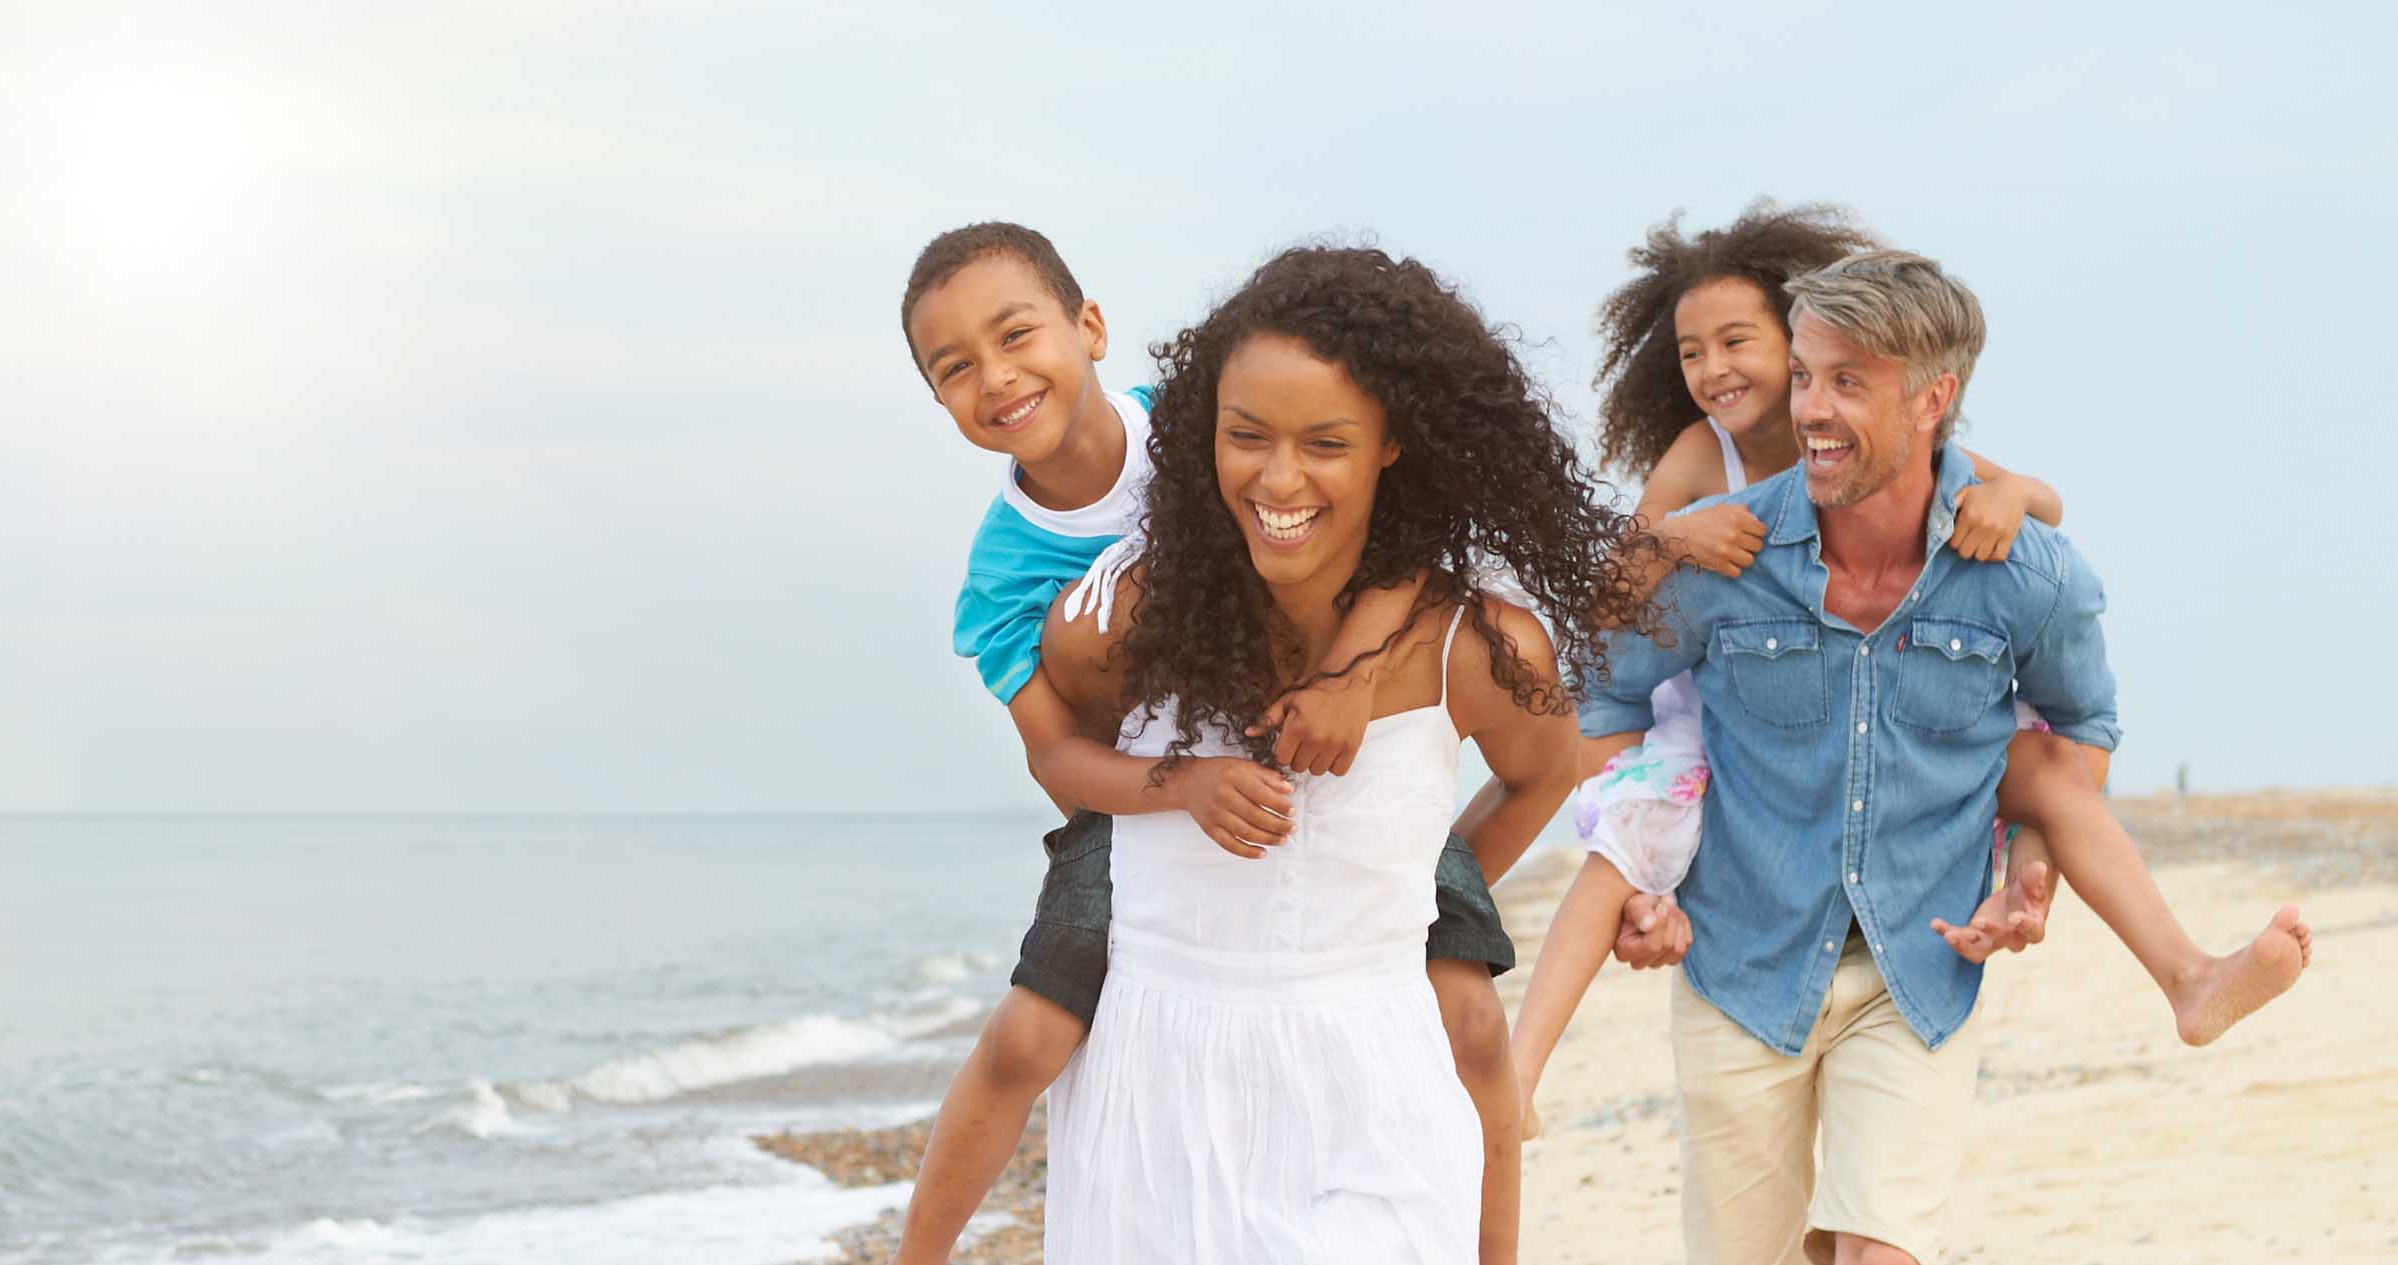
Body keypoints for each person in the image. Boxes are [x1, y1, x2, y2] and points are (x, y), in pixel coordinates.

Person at [1511, 211, 2313, 1138]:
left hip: (1896, 748)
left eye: (1740, 343)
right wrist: (1675, 537)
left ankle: (2187, 973)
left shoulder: (1906, 462)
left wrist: (2007, 496)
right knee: (1619, 854)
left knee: (2048, 766)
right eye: (1692, 352)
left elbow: (2042, 511)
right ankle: (1519, 1070)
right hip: (1717, 708)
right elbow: (1616, 602)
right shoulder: (1705, 458)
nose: (1715, 368)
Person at [893, 225, 1531, 1264]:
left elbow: (1403, 540)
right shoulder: (1003, 572)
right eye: (953, 367)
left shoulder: (1199, 423)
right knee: (1027, 1036)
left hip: (1326, 755)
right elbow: (1056, 760)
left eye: (1014, 336)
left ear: (1090, 326)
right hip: (1140, 793)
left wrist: (1353, 673)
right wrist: (1180, 786)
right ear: (936, 397)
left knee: (1468, 1019)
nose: (995, 377)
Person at [1028, 245, 1649, 1262]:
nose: (1279, 478)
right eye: (1245, 436)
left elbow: (1542, 772)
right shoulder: (1121, 625)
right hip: (1155, 1083)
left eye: (1325, 442)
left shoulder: (1473, 648)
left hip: (1373, 1085)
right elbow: (1077, 765)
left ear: (1392, 444)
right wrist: (1179, 793)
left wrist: (1408, 901)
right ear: (1203, 433)